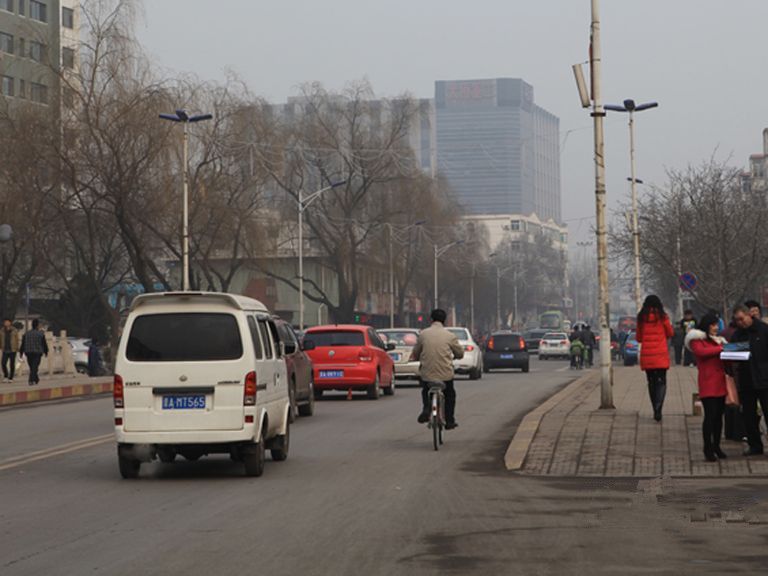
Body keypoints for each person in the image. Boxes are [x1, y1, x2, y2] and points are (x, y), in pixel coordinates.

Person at [411, 309, 464, 430]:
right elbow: (460, 353)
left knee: (425, 389)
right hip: (445, 374)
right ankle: (450, 420)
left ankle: (426, 408)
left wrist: (418, 357)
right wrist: (455, 356)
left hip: (427, 373)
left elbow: (416, 352)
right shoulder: (450, 336)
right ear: (444, 321)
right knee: (450, 394)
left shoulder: (423, 334)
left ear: (431, 319)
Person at [685, 313, 728, 462]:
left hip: (721, 382)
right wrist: (721, 349)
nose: (716, 328)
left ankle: (716, 445)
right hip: (708, 382)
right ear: (707, 325)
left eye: (717, 325)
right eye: (714, 325)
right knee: (710, 416)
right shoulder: (697, 339)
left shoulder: (719, 341)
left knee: (718, 418)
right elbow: (701, 353)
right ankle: (707, 448)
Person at [731, 305, 768, 456]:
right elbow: (731, 355)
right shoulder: (737, 335)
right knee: (749, 415)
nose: (740, 322)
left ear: (748, 315)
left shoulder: (763, 330)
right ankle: (755, 445)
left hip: (764, 379)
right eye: (737, 320)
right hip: (746, 381)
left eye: (741, 318)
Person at [636, 295, 674, 422]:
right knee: (661, 382)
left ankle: (655, 409)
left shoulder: (641, 318)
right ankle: (659, 408)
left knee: (651, 383)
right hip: (661, 355)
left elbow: (639, 338)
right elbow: (670, 333)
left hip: (647, 356)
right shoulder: (663, 317)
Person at [19, 319, 48, 386]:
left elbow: (23, 344)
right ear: (37, 325)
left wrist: (21, 352)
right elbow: (44, 344)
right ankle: (31, 380)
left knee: (32, 366)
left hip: (28, 352)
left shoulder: (26, 334)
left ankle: (35, 379)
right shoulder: (40, 334)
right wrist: (46, 351)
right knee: (35, 366)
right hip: (37, 352)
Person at [0, 318, 20, 383]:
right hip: (5, 349)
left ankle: (11, 377)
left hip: (13, 349)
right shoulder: (2, 330)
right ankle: (6, 376)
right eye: (5, 322)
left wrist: (17, 347)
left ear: (10, 323)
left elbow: (17, 339)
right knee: (3, 363)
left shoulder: (14, 330)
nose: (6, 323)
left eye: (8, 322)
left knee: (12, 364)